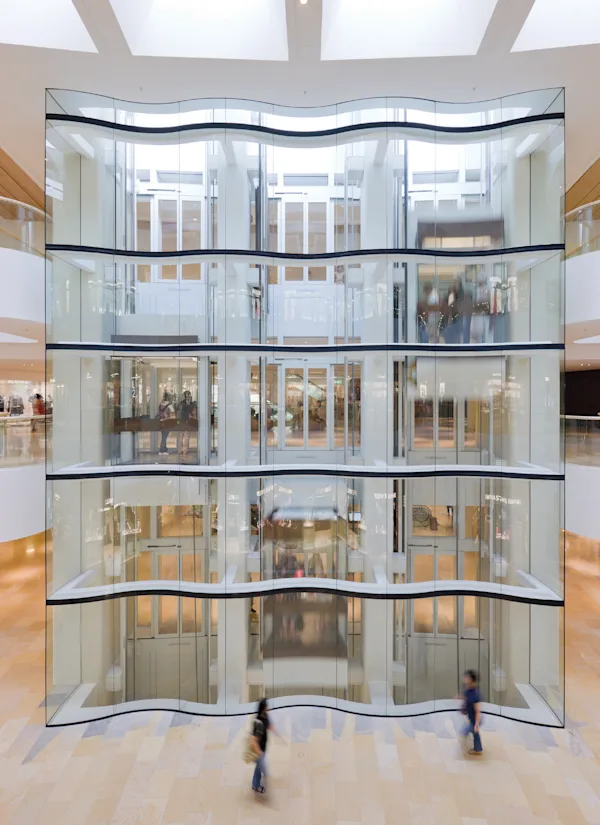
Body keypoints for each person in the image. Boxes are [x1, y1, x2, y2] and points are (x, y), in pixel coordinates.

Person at [250, 698, 280, 794]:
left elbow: (270, 725)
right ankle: (256, 786)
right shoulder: (258, 722)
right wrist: (259, 752)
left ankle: (255, 783)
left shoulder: (266, 716)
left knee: (259, 768)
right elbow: (253, 740)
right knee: (263, 770)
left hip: (263, 747)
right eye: (266, 706)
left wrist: (276, 733)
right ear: (263, 708)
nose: (268, 708)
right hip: (259, 750)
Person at [461, 669, 483, 755]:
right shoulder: (468, 690)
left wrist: (476, 724)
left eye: (467, 677)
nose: (465, 678)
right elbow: (465, 698)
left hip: (475, 719)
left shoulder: (475, 694)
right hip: (471, 718)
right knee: (474, 733)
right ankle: (478, 749)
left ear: (471, 679)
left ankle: (477, 749)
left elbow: (477, 711)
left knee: (467, 731)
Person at [178, 390, 197, 455]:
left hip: (181, 421)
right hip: (187, 421)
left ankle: (180, 449)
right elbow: (192, 412)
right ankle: (185, 450)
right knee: (186, 435)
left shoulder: (181, 403)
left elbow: (178, 410)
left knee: (181, 435)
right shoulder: (191, 404)